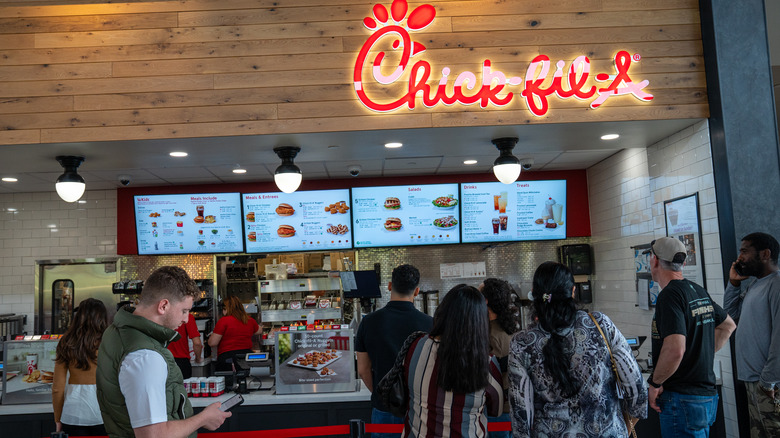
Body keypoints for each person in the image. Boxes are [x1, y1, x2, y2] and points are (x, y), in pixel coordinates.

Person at [509, 261, 647, 437]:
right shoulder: (601, 326)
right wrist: (620, 429)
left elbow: (521, 416)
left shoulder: (522, 343)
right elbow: (638, 394)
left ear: (534, 295)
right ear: (573, 291)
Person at [96, 266, 230, 438]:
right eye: (184, 311)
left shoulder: (117, 331)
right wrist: (203, 418)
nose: (186, 319)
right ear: (163, 306)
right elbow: (153, 435)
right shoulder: (145, 356)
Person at [645, 237, 736, 437]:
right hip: (706, 397)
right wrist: (697, 353)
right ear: (683, 263)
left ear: (655, 261)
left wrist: (655, 383)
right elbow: (728, 325)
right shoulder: (697, 290)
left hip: (681, 399)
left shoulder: (669, 296)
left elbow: (675, 349)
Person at [400, 284, 503, 437]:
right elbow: (497, 409)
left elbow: (406, 390)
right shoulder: (487, 363)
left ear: (443, 312)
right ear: (480, 322)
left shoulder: (415, 346)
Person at [355, 264, 433, 436]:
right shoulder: (431, 324)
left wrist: (382, 393)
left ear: (390, 286)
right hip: (421, 407)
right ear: (416, 291)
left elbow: (363, 370)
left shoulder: (368, 322)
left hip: (384, 409)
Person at [723, 232, 780, 437]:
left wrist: (767, 381)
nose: (739, 258)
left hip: (769, 385)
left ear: (765, 254)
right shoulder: (756, 284)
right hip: (754, 382)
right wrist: (734, 283)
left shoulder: (776, 284)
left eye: (745, 251)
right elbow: (730, 314)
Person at [52, 298, 108, 437]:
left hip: (73, 414)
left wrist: (58, 419)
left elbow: (57, 387)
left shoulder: (66, 342)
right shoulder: (109, 341)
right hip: (104, 413)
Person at [479, 278, 518, 438]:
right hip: (508, 409)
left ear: (485, 301)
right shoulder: (507, 329)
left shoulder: (492, 337)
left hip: (497, 411)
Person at [208, 295, 260, 372]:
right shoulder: (249, 320)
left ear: (225, 309)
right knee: (246, 381)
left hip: (228, 359)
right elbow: (259, 331)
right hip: (247, 358)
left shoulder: (223, 321)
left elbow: (212, 343)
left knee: (228, 382)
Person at [167, 312, 203, 379]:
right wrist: (198, 358)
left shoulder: (161, 315)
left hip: (163, 359)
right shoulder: (186, 316)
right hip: (182, 361)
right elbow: (197, 343)